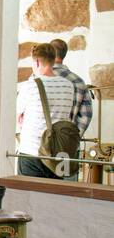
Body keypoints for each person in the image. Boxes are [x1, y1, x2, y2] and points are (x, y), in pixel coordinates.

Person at [16, 42, 77, 177]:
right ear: (53, 60)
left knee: (28, 196)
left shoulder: (29, 86)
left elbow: (18, 118)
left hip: (32, 151)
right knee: (55, 195)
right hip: (59, 152)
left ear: (37, 62)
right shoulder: (68, 86)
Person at [49, 38, 93, 137]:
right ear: (64, 54)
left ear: (49, 53)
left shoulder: (38, 79)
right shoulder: (78, 81)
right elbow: (86, 115)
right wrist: (73, 138)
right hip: (67, 142)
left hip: (38, 143)